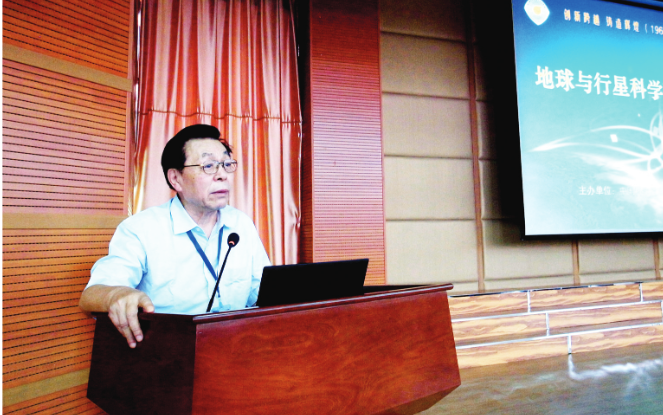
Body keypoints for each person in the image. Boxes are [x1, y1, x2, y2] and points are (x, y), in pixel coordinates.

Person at [79, 124, 270, 348]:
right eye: (208, 166)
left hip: (238, 346)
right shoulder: (141, 229)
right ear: (175, 179)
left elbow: (262, 293)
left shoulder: (241, 224)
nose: (222, 175)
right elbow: (90, 296)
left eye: (227, 164)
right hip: (169, 351)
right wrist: (115, 295)